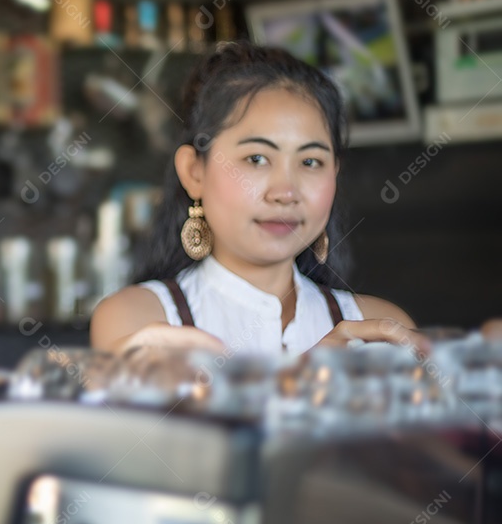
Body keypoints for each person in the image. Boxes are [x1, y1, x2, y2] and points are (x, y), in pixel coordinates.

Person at [91, 41, 428, 358]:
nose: (285, 192)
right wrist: (309, 377)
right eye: (256, 159)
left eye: (310, 162)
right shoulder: (138, 320)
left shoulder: (379, 329)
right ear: (194, 172)